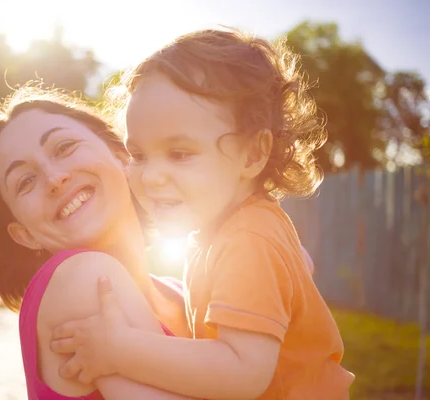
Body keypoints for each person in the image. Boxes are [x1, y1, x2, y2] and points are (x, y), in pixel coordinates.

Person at [50, 28, 354, 399]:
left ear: (253, 154)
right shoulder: (229, 231)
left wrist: (119, 349)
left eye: (179, 154)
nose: (151, 176)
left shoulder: (248, 238)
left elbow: (241, 372)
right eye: (140, 156)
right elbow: (296, 268)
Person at [0, 85, 194, 400]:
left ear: (121, 156)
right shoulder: (84, 278)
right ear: (25, 234)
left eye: (64, 147)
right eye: (25, 181)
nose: (54, 178)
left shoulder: (183, 291)